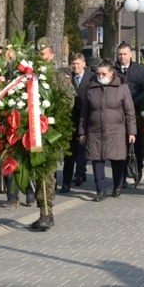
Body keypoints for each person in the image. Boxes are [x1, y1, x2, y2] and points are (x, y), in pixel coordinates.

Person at [29, 37, 75, 230]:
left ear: (52, 55)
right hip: (31, 131)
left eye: (44, 53)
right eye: (38, 54)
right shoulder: (29, 77)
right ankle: (43, 211)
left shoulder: (57, 77)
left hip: (50, 133)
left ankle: (46, 213)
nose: (41, 57)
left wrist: (52, 117)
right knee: (35, 173)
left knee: (46, 173)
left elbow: (70, 99)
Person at [78, 60, 136, 201]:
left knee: (117, 160)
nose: (100, 75)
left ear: (111, 74)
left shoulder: (122, 88)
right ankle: (100, 191)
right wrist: (81, 131)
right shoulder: (90, 89)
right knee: (97, 160)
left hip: (116, 131)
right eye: (98, 73)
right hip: (95, 131)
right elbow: (84, 113)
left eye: (104, 73)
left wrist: (131, 132)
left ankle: (117, 185)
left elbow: (130, 111)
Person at [114, 42, 144, 184]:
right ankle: (121, 176)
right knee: (120, 146)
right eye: (120, 54)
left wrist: (134, 101)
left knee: (137, 143)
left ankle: (138, 168)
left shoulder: (139, 69)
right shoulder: (113, 70)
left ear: (130, 54)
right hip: (118, 113)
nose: (122, 57)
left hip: (136, 112)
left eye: (124, 54)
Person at [59, 53, 91, 194]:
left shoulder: (91, 77)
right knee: (70, 151)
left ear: (84, 64)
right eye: (73, 63)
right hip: (70, 119)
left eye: (78, 63)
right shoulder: (68, 78)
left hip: (85, 118)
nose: (75, 66)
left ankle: (80, 173)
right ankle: (67, 182)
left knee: (83, 147)